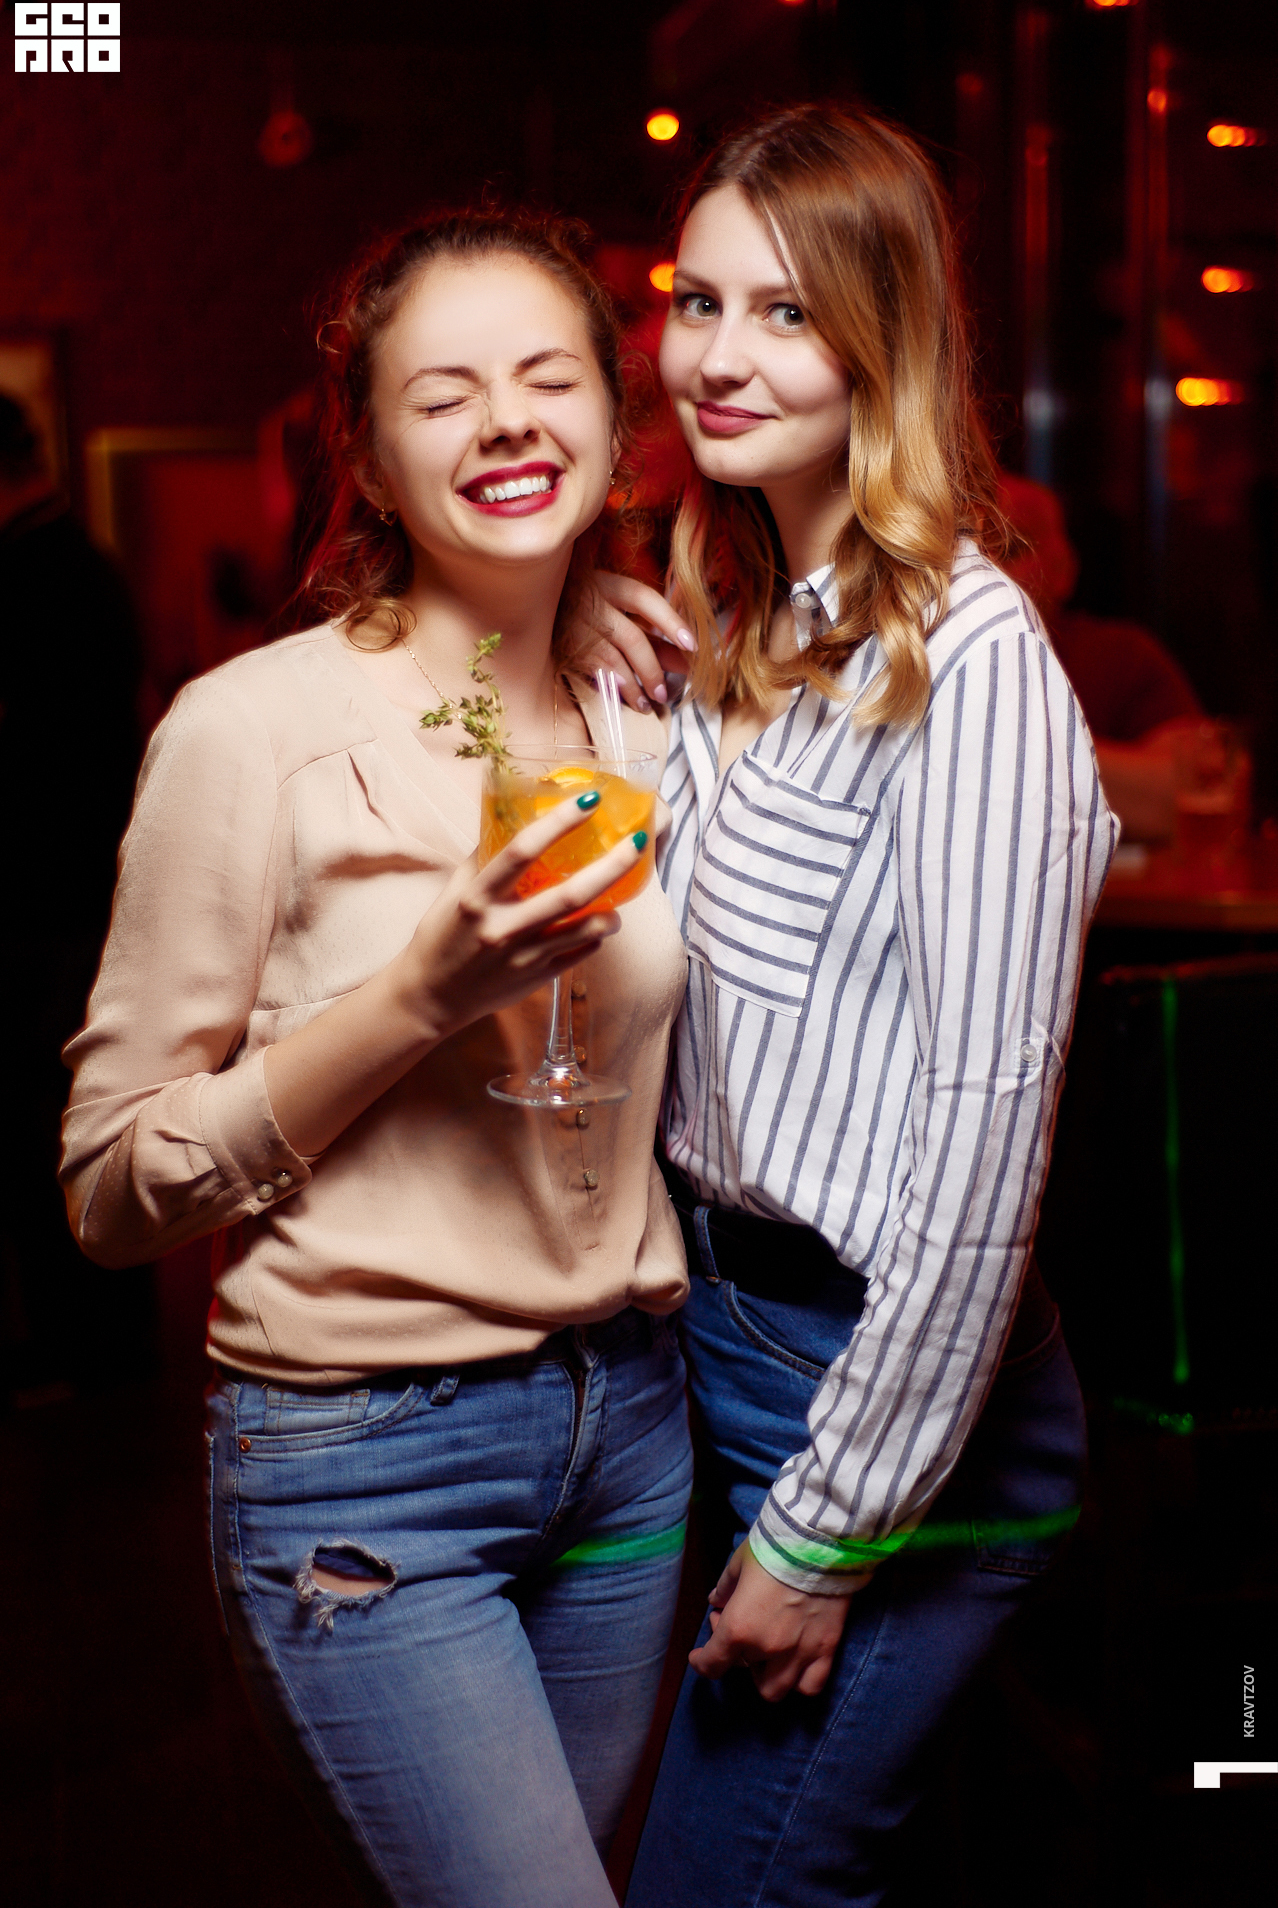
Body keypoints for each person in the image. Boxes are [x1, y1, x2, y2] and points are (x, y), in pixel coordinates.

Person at [60, 208, 693, 1908]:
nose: (506, 421)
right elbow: (108, 1193)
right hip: (367, 1455)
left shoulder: (651, 708)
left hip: (631, 1432)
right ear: (364, 453)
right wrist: (418, 994)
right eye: (443, 393)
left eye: (548, 377)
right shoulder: (249, 731)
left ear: (614, 423)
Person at [588, 106, 1118, 1907]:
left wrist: (824, 1535)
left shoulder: (971, 665)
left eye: (786, 313)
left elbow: (981, 1156)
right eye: (696, 301)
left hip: (881, 1393)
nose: (719, 357)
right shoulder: (726, 614)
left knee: (728, 1885)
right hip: (723, 1338)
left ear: (882, 342)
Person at [0, 393, 150, 1403]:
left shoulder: (36, 574)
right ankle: (97, 1353)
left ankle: (83, 1358)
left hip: (49, 902)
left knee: (48, 1124)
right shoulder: (78, 563)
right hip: (81, 890)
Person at [998, 471, 1204, 842]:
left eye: (1008, 550)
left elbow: (1187, 795)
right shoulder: (912, 664)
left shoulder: (1120, 656)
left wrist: (1004, 747)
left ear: (1063, 569)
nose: (987, 570)